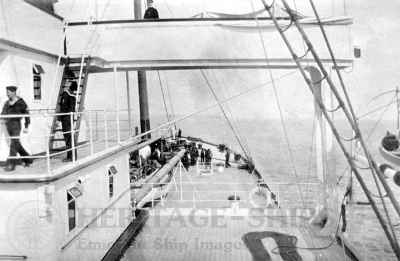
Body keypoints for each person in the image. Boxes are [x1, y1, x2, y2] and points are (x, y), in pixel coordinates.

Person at [1, 86, 32, 171]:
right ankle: (28, 159)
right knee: (16, 144)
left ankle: (11, 164)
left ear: (14, 92)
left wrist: (26, 126)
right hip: (8, 125)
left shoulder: (20, 102)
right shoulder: (7, 103)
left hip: (16, 125)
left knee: (13, 143)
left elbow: (27, 114)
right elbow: (3, 113)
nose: (7, 94)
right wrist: (2, 118)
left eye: (8, 92)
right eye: (6, 92)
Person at [58, 81, 77, 162]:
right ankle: (73, 156)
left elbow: (63, 107)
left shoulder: (66, 94)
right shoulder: (73, 95)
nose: (66, 83)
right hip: (71, 118)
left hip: (66, 118)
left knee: (68, 137)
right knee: (70, 137)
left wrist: (59, 118)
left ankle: (70, 157)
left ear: (70, 85)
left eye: (68, 83)